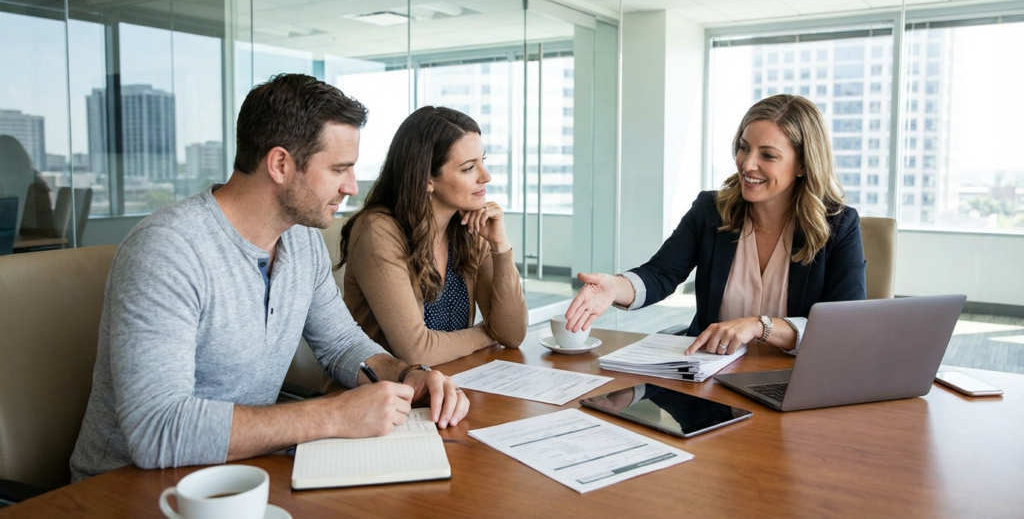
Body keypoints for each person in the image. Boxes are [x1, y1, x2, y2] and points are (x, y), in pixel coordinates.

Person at [70, 74, 469, 482]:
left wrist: (408, 376)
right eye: (338, 169)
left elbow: (342, 344)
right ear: (280, 164)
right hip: (127, 488)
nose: (351, 186)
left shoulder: (300, 240)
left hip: (241, 475)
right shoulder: (168, 250)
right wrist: (333, 414)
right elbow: (156, 430)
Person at [565, 94, 866, 356]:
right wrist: (613, 287)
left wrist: (760, 327)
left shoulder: (839, 225)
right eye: (744, 148)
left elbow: (844, 326)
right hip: (710, 370)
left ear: (802, 164)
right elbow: (661, 274)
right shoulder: (711, 210)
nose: (747, 164)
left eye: (768, 155)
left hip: (795, 377)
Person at [338, 106, 527, 366]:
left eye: (483, 161)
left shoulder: (470, 228)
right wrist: (487, 332)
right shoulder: (378, 230)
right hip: (381, 397)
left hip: (453, 384)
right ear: (428, 178)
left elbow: (512, 335)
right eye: (469, 168)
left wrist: (500, 246)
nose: (486, 177)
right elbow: (417, 353)